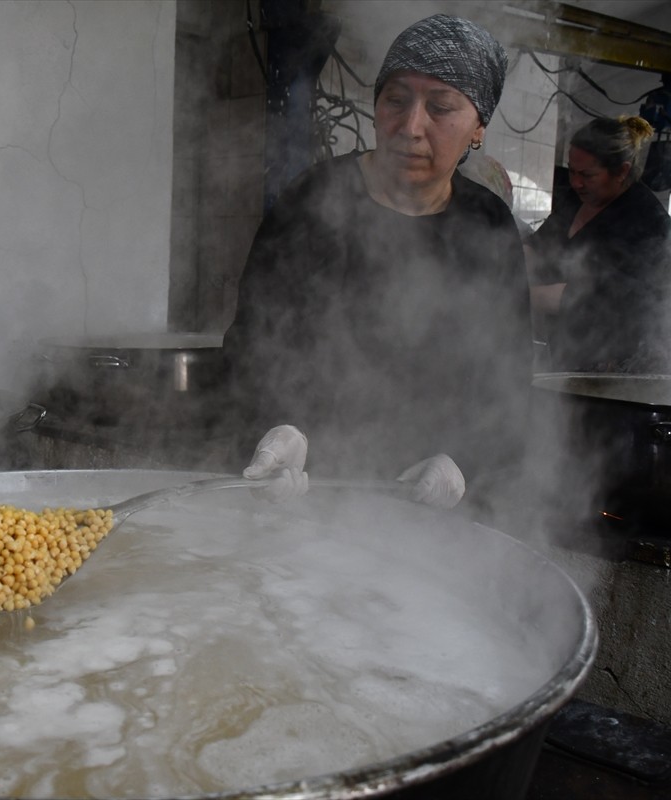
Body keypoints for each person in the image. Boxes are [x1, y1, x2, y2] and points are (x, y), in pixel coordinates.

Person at [218, 14, 532, 513]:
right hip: (307, 490)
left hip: (427, 504)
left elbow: (506, 380)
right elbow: (254, 342)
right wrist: (276, 427)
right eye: (396, 100)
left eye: (441, 107)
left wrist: (464, 461)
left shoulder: (487, 224)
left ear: (478, 128)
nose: (410, 127)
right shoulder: (313, 199)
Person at [527, 116, 671, 373]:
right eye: (572, 171)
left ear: (622, 171)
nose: (576, 182)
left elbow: (593, 298)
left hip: (625, 366)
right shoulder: (577, 198)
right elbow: (541, 244)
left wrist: (516, 293)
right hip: (571, 353)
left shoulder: (644, 222)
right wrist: (505, 260)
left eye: (587, 175)